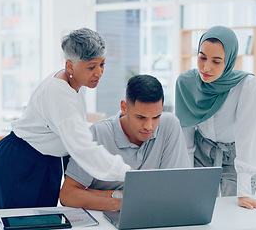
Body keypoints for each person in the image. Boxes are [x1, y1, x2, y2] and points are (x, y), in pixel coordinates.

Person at [0, 28, 132, 210]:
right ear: (70, 66)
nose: (99, 73)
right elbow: (82, 147)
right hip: (19, 164)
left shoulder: (77, 83)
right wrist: (128, 174)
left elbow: (75, 126)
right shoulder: (59, 93)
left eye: (102, 64)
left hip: (47, 164)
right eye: (91, 67)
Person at [175, 26, 256, 210]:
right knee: (197, 212)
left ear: (229, 60)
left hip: (235, 157)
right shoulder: (186, 83)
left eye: (216, 61)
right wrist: (186, 179)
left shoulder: (246, 85)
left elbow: (247, 138)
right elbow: (186, 137)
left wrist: (245, 192)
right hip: (201, 154)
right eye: (202, 57)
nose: (206, 67)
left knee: (237, 215)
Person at [59, 74, 191, 211]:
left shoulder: (170, 125)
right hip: (106, 218)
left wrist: (100, 194)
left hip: (155, 213)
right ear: (124, 107)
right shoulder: (97, 133)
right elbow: (68, 195)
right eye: (141, 117)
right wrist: (122, 202)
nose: (149, 126)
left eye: (156, 117)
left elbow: (176, 190)